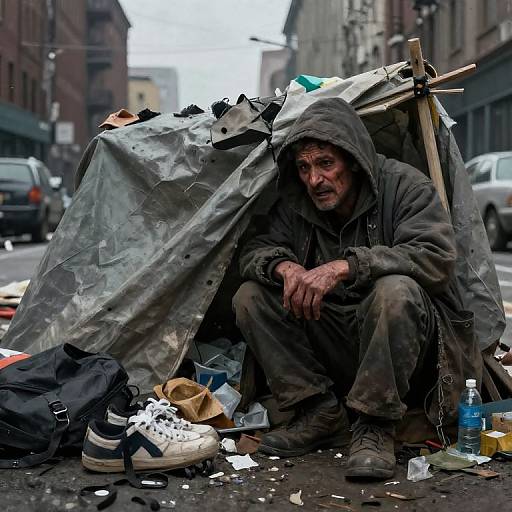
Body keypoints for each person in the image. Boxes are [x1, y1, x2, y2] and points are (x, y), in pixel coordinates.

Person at [233, 97, 481, 480]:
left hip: (403, 349)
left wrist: (347, 267)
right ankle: (318, 411)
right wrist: (285, 267)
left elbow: (436, 258)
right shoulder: (298, 204)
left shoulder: (404, 186)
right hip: (335, 339)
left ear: (352, 160)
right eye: (304, 167)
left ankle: (375, 425)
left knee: (395, 290)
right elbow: (254, 250)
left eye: (325, 164)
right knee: (251, 296)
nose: (315, 179)